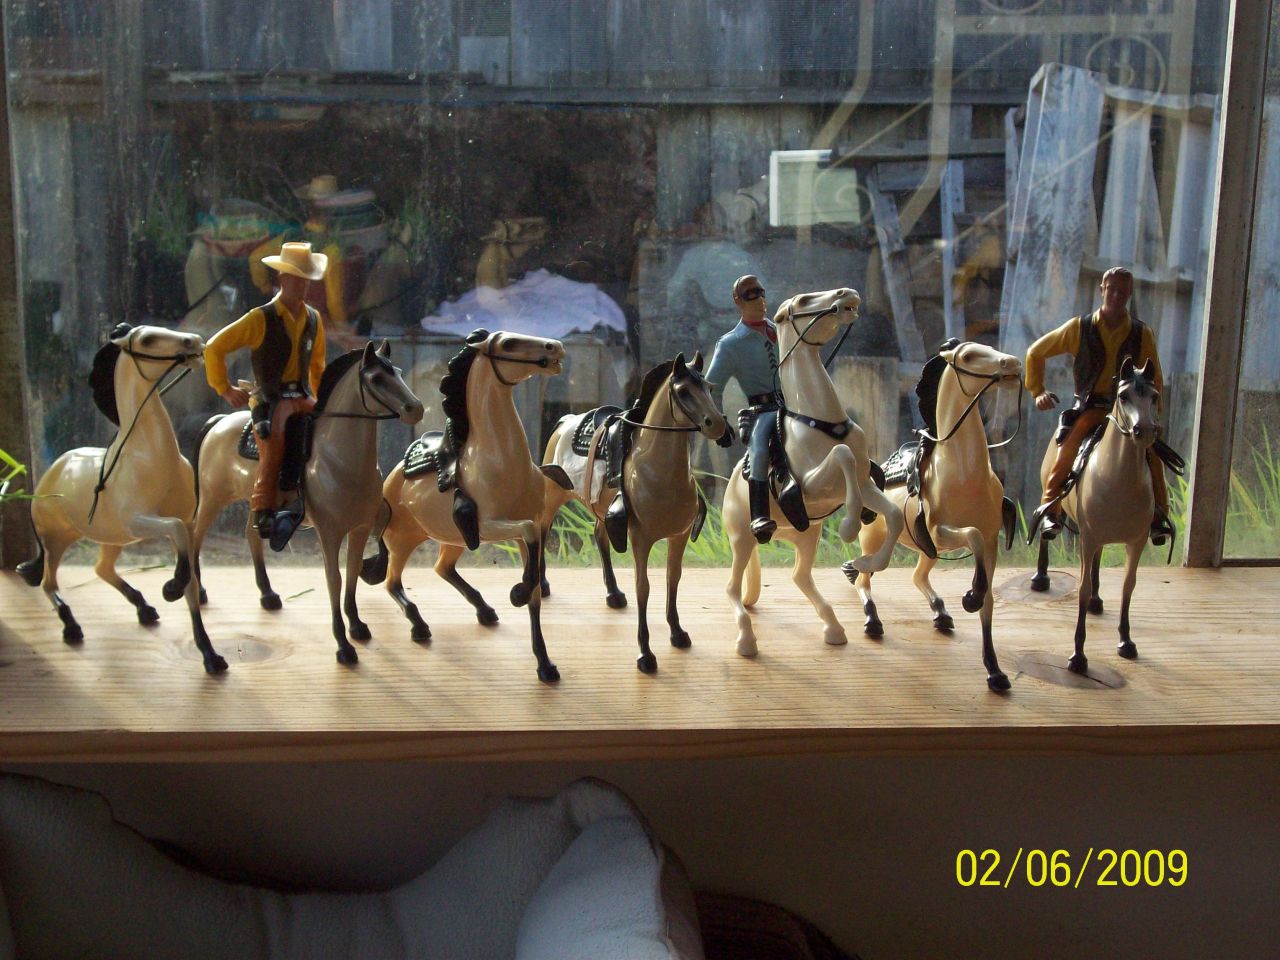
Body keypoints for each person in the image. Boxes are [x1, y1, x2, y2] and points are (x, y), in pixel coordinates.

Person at [1025, 266, 1174, 544]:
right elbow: (1036, 352)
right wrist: (1038, 390)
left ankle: (1159, 515)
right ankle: (1050, 507)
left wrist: (1154, 416)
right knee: (1069, 447)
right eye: (1112, 290)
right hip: (1091, 406)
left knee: (1153, 455)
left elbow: (1156, 379)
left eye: (1122, 292)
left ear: (1129, 294)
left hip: (1129, 409)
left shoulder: (1142, 334)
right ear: (1102, 290)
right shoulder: (1079, 328)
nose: (1116, 296)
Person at [204, 241, 328, 538]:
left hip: (302, 395)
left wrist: (322, 400)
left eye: (306, 279)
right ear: (283, 278)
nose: (304, 285)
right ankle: (263, 508)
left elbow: (317, 366)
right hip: (271, 398)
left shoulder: (313, 319)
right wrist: (224, 388)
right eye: (297, 278)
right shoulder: (260, 318)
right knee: (273, 444)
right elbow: (214, 348)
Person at [705, 274, 783, 543]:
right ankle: (760, 515)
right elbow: (711, 388)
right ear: (738, 302)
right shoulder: (731, 344)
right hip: (763, 409)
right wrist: (720, 424)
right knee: (759, 450)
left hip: (794, 404)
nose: (759, 300)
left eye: (761, 293)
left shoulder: (782, 330)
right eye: (751, 296)